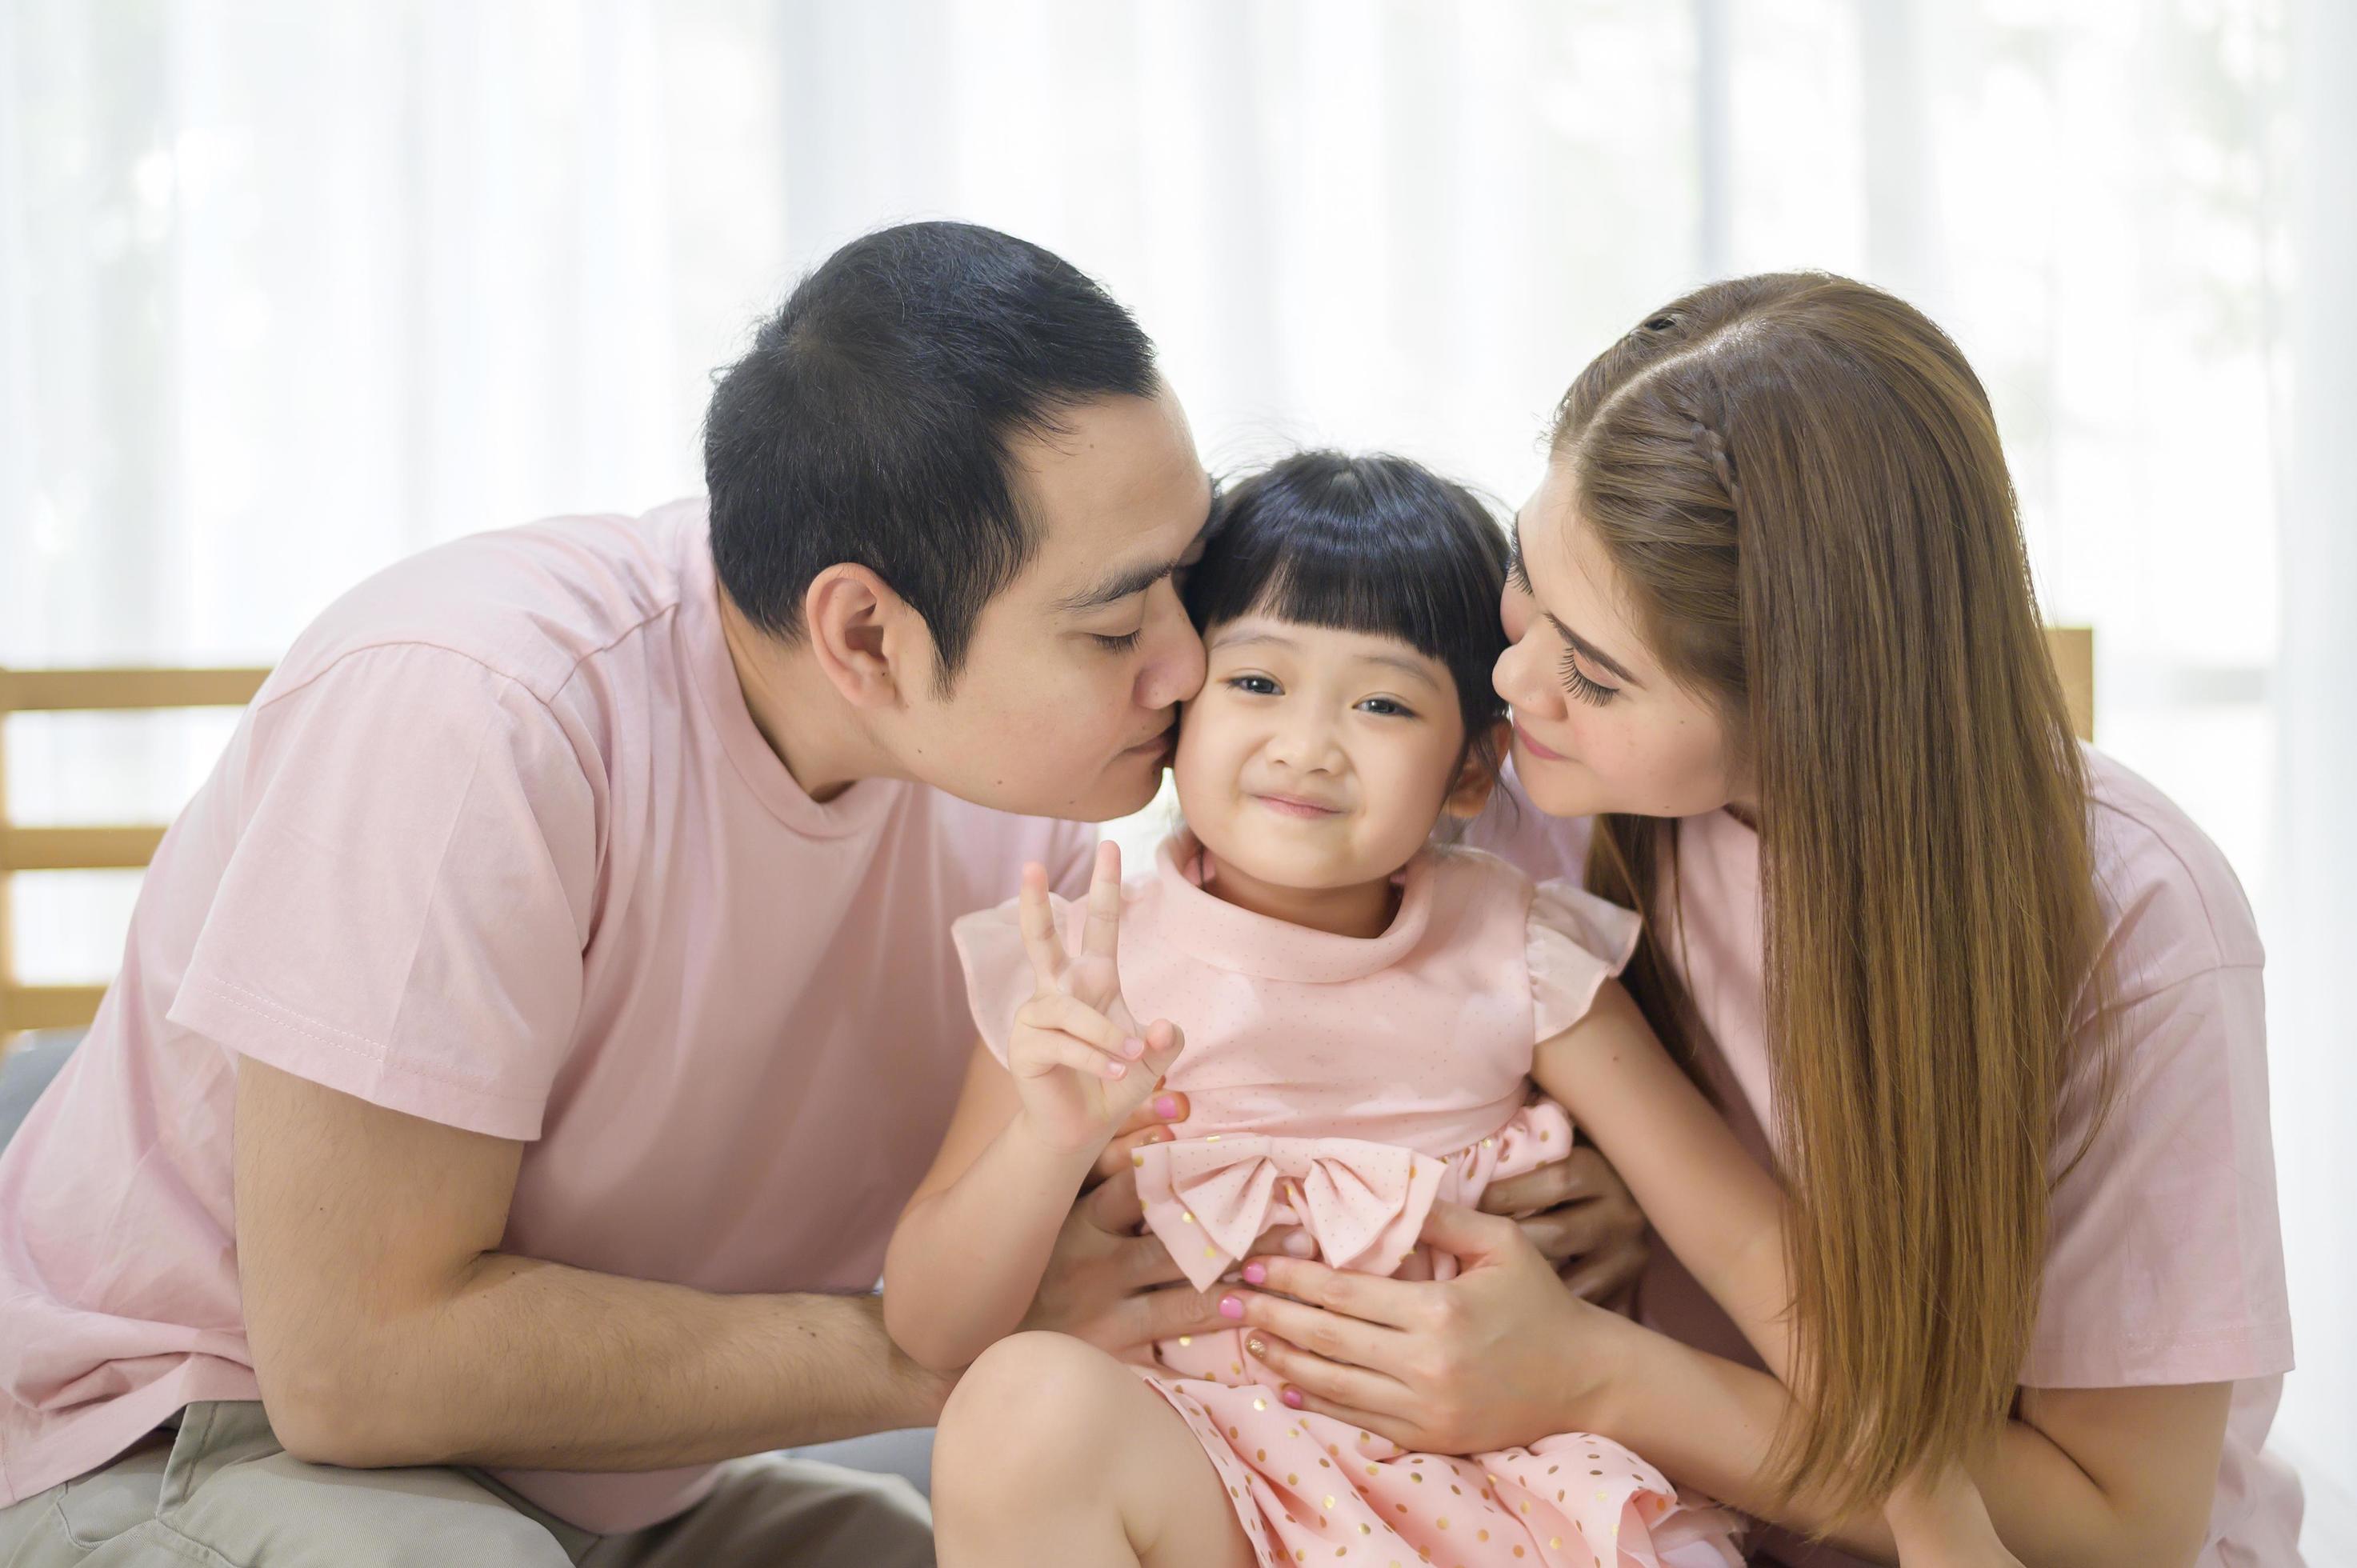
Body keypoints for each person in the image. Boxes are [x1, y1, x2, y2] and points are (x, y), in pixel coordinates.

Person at [0, 222, 1632, 1566]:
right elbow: (355, 1368)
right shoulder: (479, 709)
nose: (1192, 666)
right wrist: (926, 1348)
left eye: (1187, 579)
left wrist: (1511, 1200)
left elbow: (1186, 1165)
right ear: (867, 634)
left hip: (616, 1482)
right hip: (183, 1439)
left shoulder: (1059, 817)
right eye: (1120, 616)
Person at [1207, 276, 2297, 1566]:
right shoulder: (1531, 784)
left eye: (1595, 673)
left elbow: (2119, 1533)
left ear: (1810, 705)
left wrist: (1603, 1378)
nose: (1510, 683)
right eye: (1525, 583)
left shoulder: (2131, 922)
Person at [887, 452, 2018, 1567]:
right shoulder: (1081, 962)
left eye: (1381, 702)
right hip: (1211, 1479)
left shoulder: (1515, 950)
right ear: (1178, 704)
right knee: (1017, 1409)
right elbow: (933, 1329)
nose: (1306, 745)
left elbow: (1736, 1239)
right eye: (1257, 682)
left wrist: (1929, 1510)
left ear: (1471, 772)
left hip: (1492, 1487)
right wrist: (1047, 1142)